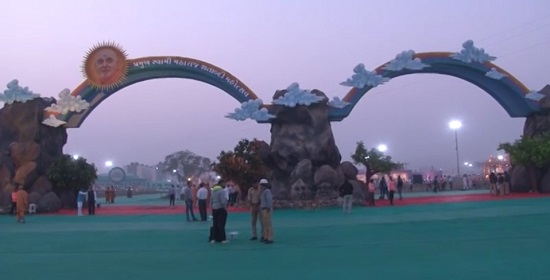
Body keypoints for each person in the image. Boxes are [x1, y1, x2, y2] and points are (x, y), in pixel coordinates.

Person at [209, 179, 229, 243]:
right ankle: (222, 239)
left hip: (214, 209)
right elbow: (223, 201)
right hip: (220, 209)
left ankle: (213, 238)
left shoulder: (213, 191)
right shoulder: (221, 191)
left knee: (215, 224)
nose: (225, 185)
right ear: (221, 183)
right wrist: (225, 208)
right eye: (224, 183)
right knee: (221, 224)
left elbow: (211, 201)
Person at [260, 179, 274, 244]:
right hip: (263, 209)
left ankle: (270, 238)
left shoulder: (267, 191)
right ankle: (266, 237)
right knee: (265, 224)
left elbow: (269, 200)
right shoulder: (263, 191)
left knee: (268, 224)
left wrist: (268, 207)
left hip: (266, 209)